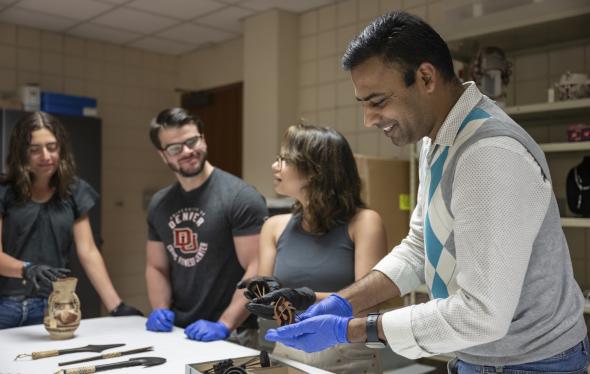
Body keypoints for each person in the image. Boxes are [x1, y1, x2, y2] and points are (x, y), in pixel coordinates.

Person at [264, 11, 589, 373]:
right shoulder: (436, 141)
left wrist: (350, 330)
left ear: (425, 77)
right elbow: (420, 247)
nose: (369, 120)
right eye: (364, 104)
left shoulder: (488, 153)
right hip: (477, 355)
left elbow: (482, 314)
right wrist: (343, 301)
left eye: (378, 101)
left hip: (532, 362)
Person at [239, 124, 388, 373]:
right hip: (288, 353)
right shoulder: (273, 227)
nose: (275, 166)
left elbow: (368, 305)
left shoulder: (364, 223)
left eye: (285, 159)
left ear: (316, 170)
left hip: (348, 356)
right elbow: (270, 303)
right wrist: (259, 292)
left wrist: (304, 296)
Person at [0, 111, 141, 329]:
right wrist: (27, 269)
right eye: (34, 150)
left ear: (61, 148)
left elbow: (88, 251)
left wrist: (116, 306)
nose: (45, 156)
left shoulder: (74, 191)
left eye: (51, 147)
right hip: (4, 305)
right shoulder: (4, 192)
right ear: (22, 153)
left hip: (52, 305)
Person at [144, 108, 267, 347]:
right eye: (175, 148)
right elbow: (156, 267)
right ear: (163, 155)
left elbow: (257, 268)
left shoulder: (241, 197)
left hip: (234, 335)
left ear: (203, 138)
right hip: (180, 332)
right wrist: (159, 308)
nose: (188, 151)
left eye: (192, 141)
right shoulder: (160, 204)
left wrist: (225, 323)